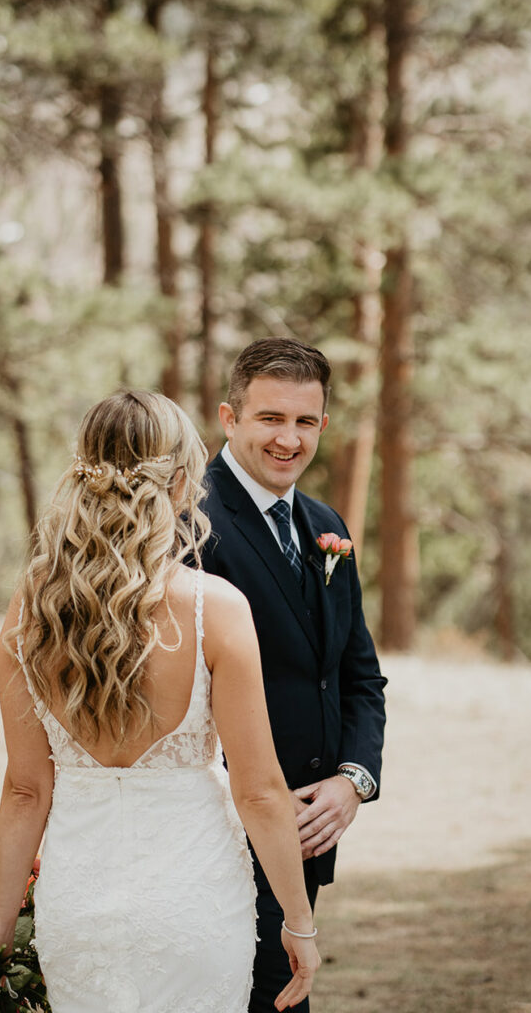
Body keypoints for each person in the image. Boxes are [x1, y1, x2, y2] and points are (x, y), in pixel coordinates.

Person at [0, 390, 320, 1013]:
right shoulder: (216, 608)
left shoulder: (31, 613)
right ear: (180, 484)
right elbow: (258, 790)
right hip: (195, 904)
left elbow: (25, 790)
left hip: (80, 911)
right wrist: (299, 923)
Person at [200, 338, 387, 1013]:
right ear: (228, 417)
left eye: (304, 421)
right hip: (210, 830)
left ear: (322, 426)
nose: (289, 439)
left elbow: (357, 676)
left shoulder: (324, 524)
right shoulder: (185, 522)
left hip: (306, 833)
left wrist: (352, 779)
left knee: (280, 998)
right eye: (269, 419)